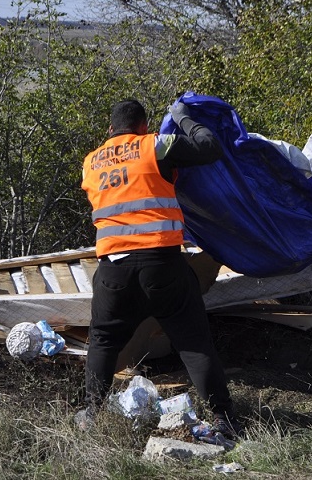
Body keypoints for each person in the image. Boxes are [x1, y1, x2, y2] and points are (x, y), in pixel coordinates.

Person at [75, 99, 240, 437]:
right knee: (194, 343)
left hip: (113, 271)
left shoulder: (90, 162)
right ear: (143, 126)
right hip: (161, 266)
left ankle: (91, 412)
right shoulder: (154, 144)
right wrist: (183, 119)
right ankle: (223, 420)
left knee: (103, 342)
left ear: (109, 130)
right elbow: (209, 148)